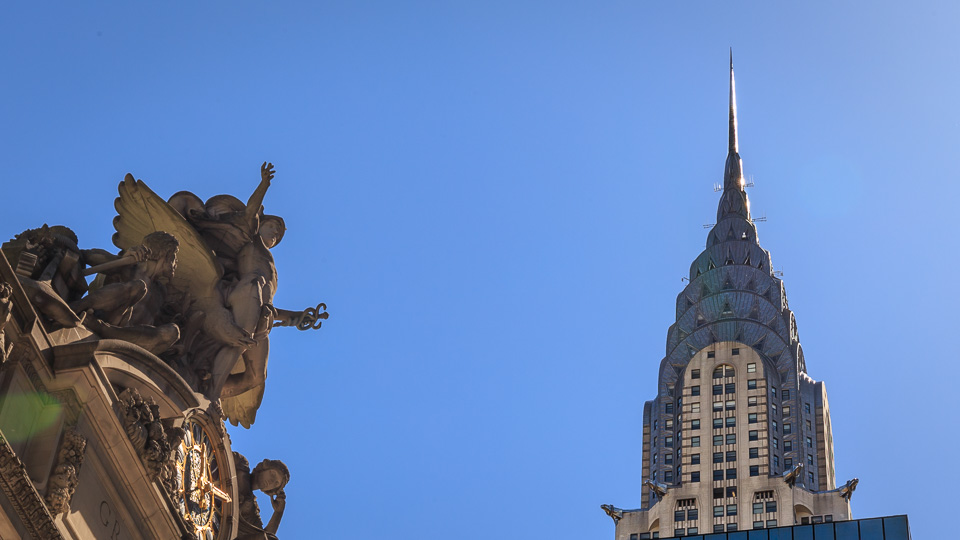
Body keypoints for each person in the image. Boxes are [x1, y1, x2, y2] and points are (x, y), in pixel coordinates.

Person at [234, 452, 289, 539]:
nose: (271, 481)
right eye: (273, 474)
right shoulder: (241, 463)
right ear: (265, 467)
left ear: (272, 490)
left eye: (276, 483)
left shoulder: (252, 510)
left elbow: (263, 536)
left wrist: (278, 513)